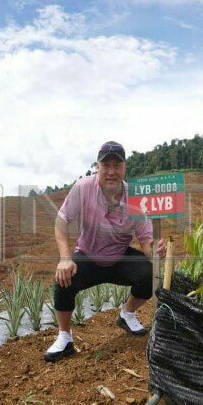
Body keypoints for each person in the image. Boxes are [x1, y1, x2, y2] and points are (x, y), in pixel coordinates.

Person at [44, 141, 166, 361]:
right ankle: (64, 337)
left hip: (119, 256)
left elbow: (146, 241)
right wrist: (64, 258)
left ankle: (126, 314)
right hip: (88, 255)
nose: (111, 171)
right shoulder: (83, 188)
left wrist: (155, 252)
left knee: (150, 272)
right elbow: (61, 223)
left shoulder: (136, 198)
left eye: (116, 165)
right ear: (97, 167)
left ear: (124, 168)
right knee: (63, 279)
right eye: (105, 165)